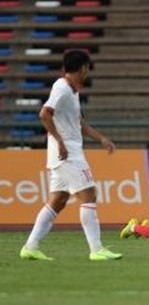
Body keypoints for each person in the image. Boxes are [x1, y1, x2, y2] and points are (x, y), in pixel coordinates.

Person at [19, 49, 122, 261]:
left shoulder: (72, 91)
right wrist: (60, 142)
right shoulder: (62, 88)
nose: (88, 72)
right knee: (89, 194)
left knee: (58, 200)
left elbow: (79, 122)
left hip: (64, 153)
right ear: (82, 67)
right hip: (67, 153)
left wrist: (101, 139)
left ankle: (30, 247)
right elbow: (44, 114)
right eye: (87, 67)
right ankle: (96, 249)